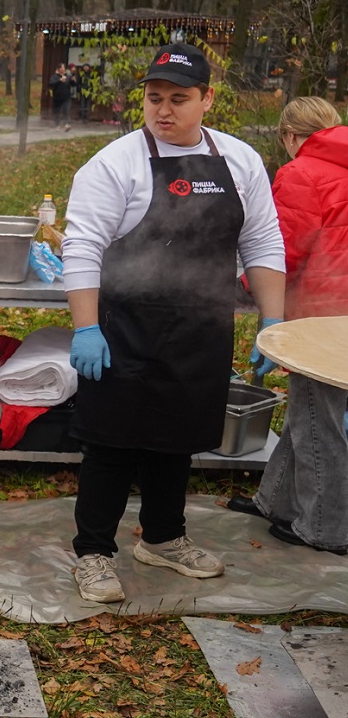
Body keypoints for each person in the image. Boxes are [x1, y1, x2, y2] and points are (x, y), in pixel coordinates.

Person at [63, 43, 286, 603]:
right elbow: (82, 248)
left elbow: (262, 241)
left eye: (179, 99)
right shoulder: (115, 164)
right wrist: (85, 327)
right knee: (110, 445)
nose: (163, 110)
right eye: (153, 97)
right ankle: (92, 553)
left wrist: (273, 321)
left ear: (208, 99)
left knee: (176, 440)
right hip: (124, 328)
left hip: (200, 329)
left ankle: (163, 538)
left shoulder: (241, 161)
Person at [228, 97, 348, 555]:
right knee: (311, 411)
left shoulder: (302, 172)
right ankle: (275, 500)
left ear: (291, 136)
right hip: (341, 311)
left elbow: (284, 249)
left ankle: (325, 527)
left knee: (318, 419)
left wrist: (244, 287)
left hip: (319, 315)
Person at [49, 63, 72, 131]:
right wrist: (60, 80)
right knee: (57, 111)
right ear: (59, 69)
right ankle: (57, 125)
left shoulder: (67, 76)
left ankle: (67, 124)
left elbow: (71, 84)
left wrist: (73, 81)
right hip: (57, 97)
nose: (64, 69)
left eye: (64, 68)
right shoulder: (55, 76)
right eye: (62, 68)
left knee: (66, 110)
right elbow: (51, 84)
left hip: (66, 97)